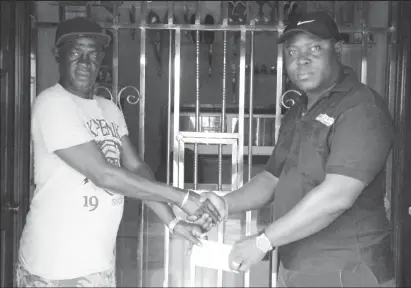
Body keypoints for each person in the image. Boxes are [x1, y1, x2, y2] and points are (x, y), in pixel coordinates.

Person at [16, 17, 220, 287]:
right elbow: (103, 174)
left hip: (99, 265)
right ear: (58, 55)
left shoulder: (109, 108)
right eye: (76, 52)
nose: (85, 62)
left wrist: (172, 222)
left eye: (93, 53)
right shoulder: (52, 104)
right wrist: (182, 197)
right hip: (54, 267)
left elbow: (136, 168)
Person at [200, 11, 395, 287]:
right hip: (297, 266)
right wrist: (225, 204)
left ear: (338, 49)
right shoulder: (300, 110)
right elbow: (271, 179)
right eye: (292, 51)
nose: (301, 60)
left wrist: (263, 241)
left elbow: (336, 196)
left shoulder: (361, 109)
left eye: (314, 48)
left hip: (347, 270)